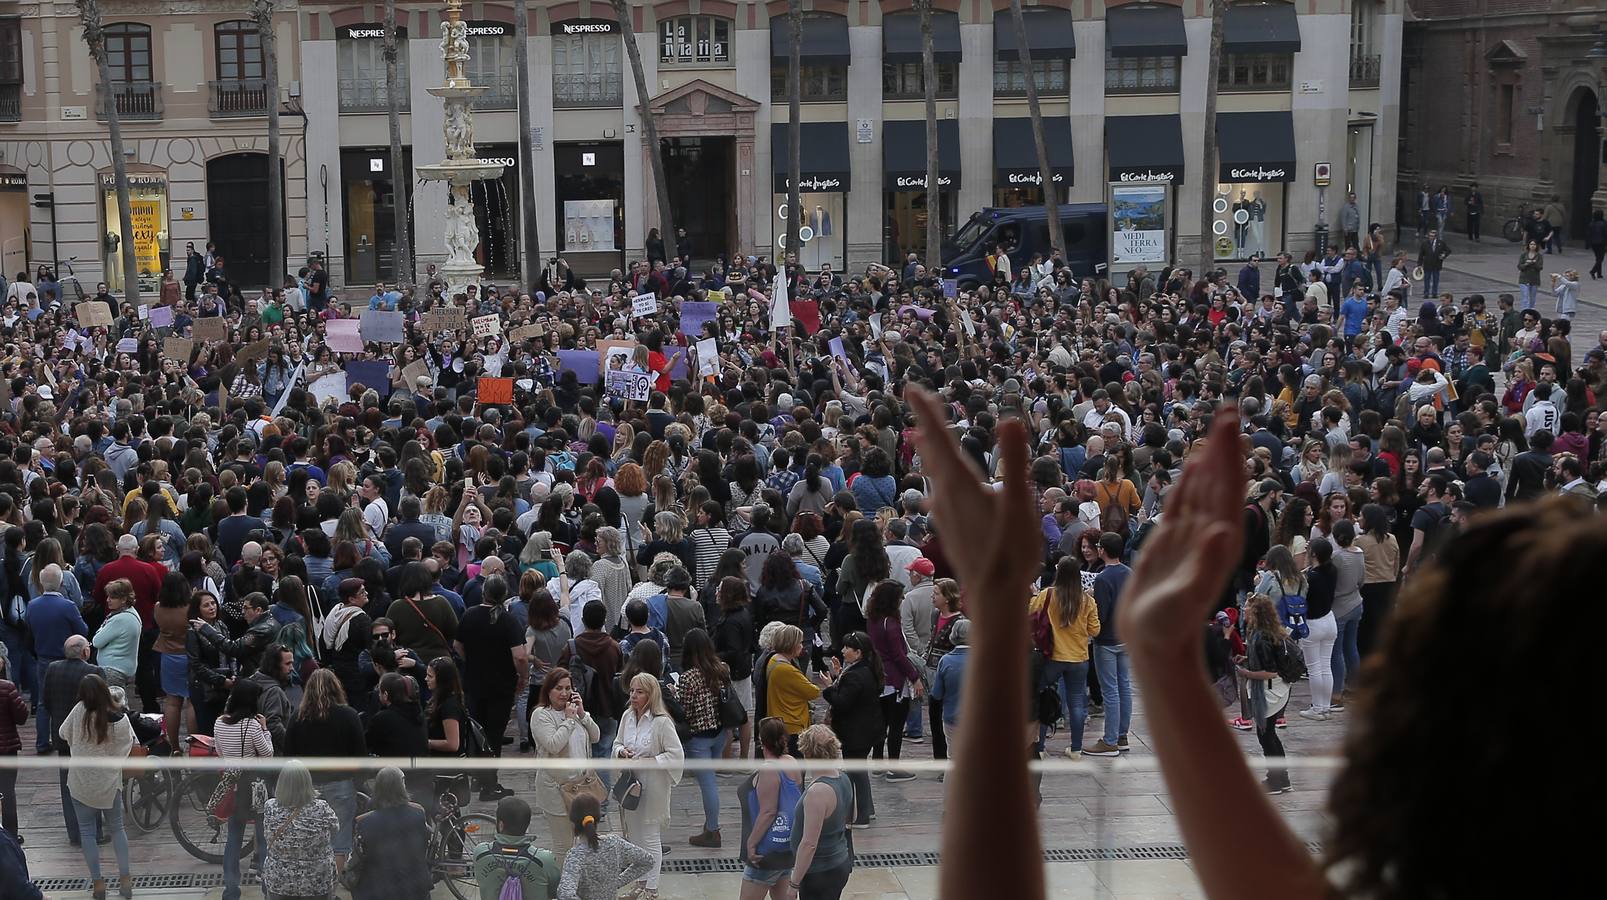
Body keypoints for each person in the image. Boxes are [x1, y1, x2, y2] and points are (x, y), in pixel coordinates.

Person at [57, 675, 134, 900]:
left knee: (87, 833)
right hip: (109, 783)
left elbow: (63, 733)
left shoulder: (79, 710)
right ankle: (126, 881)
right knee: (118, 829)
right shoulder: (119, 718)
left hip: (80, 782)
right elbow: (127, 745)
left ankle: (98, 885)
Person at [284, 669, 367, 872]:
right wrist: (358, 782)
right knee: (339, 841)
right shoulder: (349, 715)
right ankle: (330, 888)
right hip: (341, 785)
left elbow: (288, 757)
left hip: (307, 787)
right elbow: (360, 755)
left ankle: (311, 885)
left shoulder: (297, 718)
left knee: (308, 838)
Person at [454, 573, 528, 801]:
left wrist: (472, 660)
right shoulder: (508, 621)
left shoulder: (469, 615)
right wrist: (522, 677)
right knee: (494, 735)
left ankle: (478, 777)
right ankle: (489, 784)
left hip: (474, 682)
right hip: (501, 685)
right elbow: (520, 656)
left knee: (477, 732)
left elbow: (458, 646)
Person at [611, 672, 684, 900]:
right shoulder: (626, 717)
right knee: (634, 837)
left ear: (650, 695)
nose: (633, 695)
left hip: (654, 785)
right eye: (632, 690)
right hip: (631, 784)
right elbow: (616, 743)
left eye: (639, 691)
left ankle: (651, 889)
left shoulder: (661, 722)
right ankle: (640, 884)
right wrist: (621, 752)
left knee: (650, 837)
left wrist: (650, 761)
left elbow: (676, 755)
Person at [529, 666, 600, 868]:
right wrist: (568, 720)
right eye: (558, 688)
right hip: (556, 790)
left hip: (582, 788)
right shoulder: (541, 715)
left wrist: (582, 713)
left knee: (586, 840)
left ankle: (580, 884)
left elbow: (596, 737)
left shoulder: (575, 712)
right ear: (548, 690)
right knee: (564, 845)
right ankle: (564, 889)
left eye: (568, 688)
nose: (564, 693)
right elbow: (553, 744)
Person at [1029, 556, 1101, 757]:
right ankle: (1076, 749)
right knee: (1077, 703)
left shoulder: (1048, 594)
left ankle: (1040, 747)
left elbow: (1031, 611)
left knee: (1043, 697)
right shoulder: (1087, 600)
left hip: (1053, 656)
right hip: (1079, 658)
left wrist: (1034, 595)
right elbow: (1095, 630)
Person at [215, 679, 275, 900]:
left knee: (234, 836)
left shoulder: (219, 723)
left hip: (233, 784)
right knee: (263, 835)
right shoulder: (252, 726)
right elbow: (268, 755)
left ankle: (231, 888)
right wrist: (265, 729)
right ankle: (268, 886)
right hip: (256, 785)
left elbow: (220, 754)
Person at [784, 724, 856, 900]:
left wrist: (794, 884)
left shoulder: (818, 792)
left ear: (807, 752)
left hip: (820, 872)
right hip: (839, 862)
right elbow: (853, 816)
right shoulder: (844, 777)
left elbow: (809, 844)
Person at [676, 627, 731, 847]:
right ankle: (710, 825)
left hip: (698, 738)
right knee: (711, 783)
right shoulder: (721, 668)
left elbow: (685, 711)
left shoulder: (688, 677)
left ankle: (712, 830)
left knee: (708, 785)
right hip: (719, 732)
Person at [261, 760, 340, 900]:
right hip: (316, 880)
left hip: (279, 880)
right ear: (307, 782)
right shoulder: (321, 808)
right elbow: (335, 829)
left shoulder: (270, 807)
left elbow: (267, 833)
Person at [349, 766, 432, 900]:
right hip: (415, 886)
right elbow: (423, 847)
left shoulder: (365, 822)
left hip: (379, 888)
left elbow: (360, 857)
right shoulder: (418, 814)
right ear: (402, 785)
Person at [555, 794, 653, 900]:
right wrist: (616, 882)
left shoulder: (575, 855)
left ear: (573, 822)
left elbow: (565, 894)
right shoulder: (614, 842)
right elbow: (648, 860)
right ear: (597, 818)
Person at [1087, 532, 1132, 756]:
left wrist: (1091, 599)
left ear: (1102, 550)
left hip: (1106, 640)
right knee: (1124, 686)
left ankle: (1110, 740)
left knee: (1110, 690)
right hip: (1125, 636)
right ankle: (1122, 734)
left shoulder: (1103, 578)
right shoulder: (1129, 573)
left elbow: (1101, 615)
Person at [472, 795, 560, 900]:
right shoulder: (544, 860)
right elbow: (556, 891)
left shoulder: (481, 853)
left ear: (501, 825)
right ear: (527, 825)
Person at [0, 646, 29, 840]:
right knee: (7, 791)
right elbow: (21, 717)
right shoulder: (7, 687)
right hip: (6, 748)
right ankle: (10, 834)